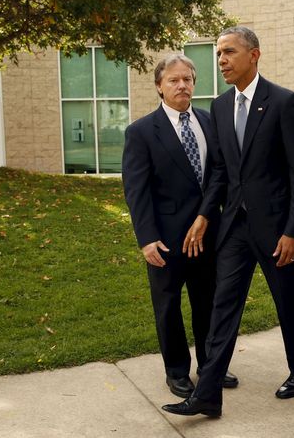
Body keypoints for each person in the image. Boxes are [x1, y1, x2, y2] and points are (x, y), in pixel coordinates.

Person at [162, 26, 294, 418]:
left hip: (277, 229)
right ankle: (208, 396)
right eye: (218, 55)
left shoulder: (284, 102)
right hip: (233, 228)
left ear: (255, 55)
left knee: (289, 303)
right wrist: (202, 216)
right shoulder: (218, 106)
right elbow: (219, 171)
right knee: (222, 309)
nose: (222, 61)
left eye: (229, 52)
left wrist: (293, 231)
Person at [122, 54, 237, 400]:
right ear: (159, 86)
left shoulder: (208, 121)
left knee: (208, 303)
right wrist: (147, 240)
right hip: (167, 240)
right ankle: (176, 371)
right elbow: (136, 191)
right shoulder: (141, 132)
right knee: (168, 307)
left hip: (208, 234)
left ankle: (209, 364)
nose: (182, 85)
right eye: (173, 80)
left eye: (187, 79)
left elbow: (219, 174)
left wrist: (208, 216)